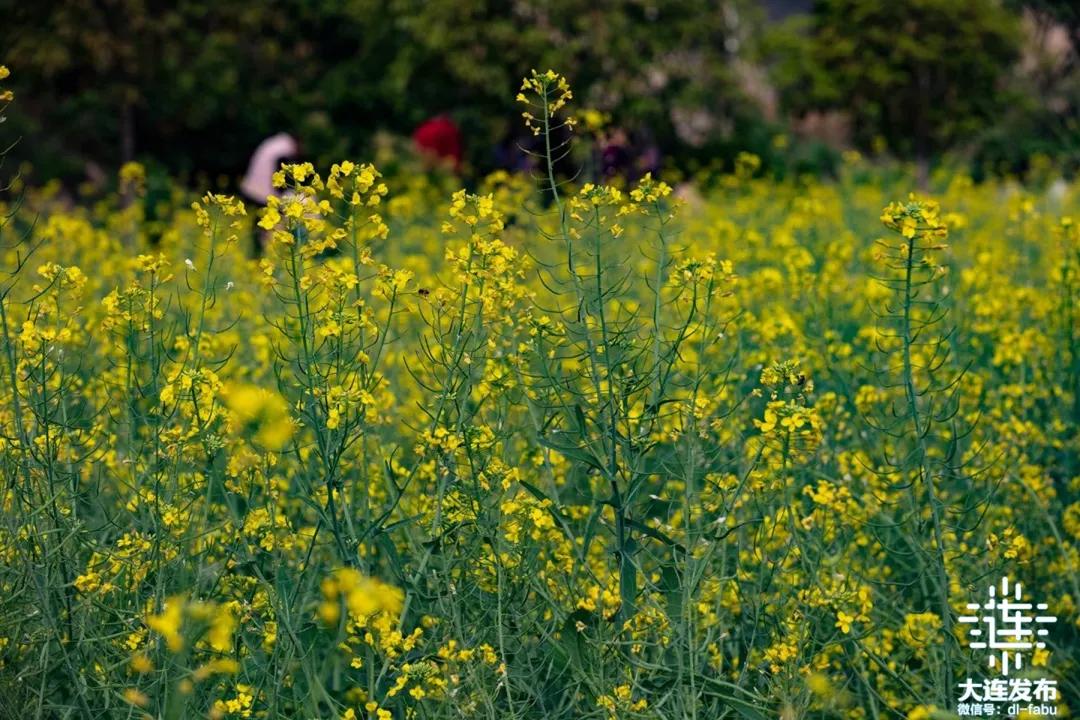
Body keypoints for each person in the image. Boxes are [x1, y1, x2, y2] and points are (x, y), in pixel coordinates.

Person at [240, 132, 300, 255]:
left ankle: (258, 257)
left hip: (251, 188)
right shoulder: (285, 148)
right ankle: (262, 256)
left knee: (259, 228)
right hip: (262, 193)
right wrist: (285, 197)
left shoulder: (276, 142)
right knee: (266, 230)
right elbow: (280, 176)